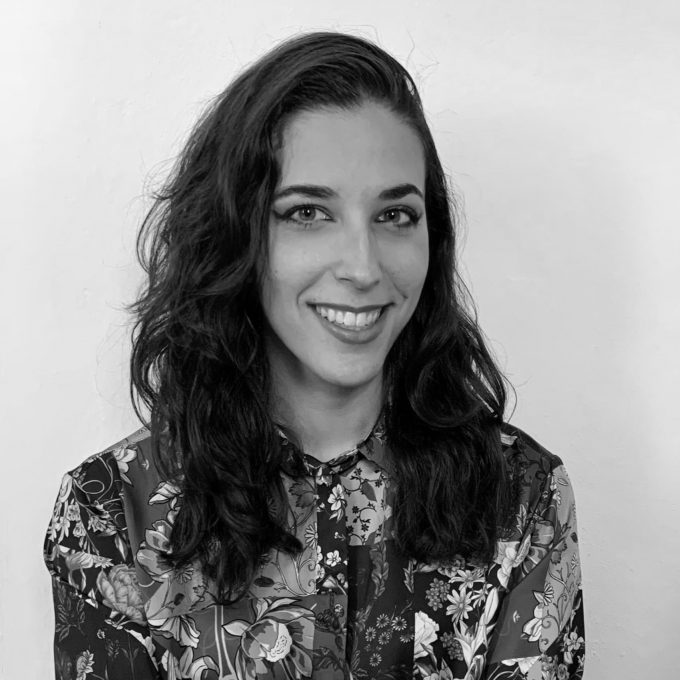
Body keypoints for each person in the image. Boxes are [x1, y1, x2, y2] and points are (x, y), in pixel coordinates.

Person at [44, 31, 584, 680]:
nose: (362, 267)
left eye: (395, 215)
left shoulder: (521, 496)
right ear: (235, 234)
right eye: (307, 212)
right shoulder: (111, 513)